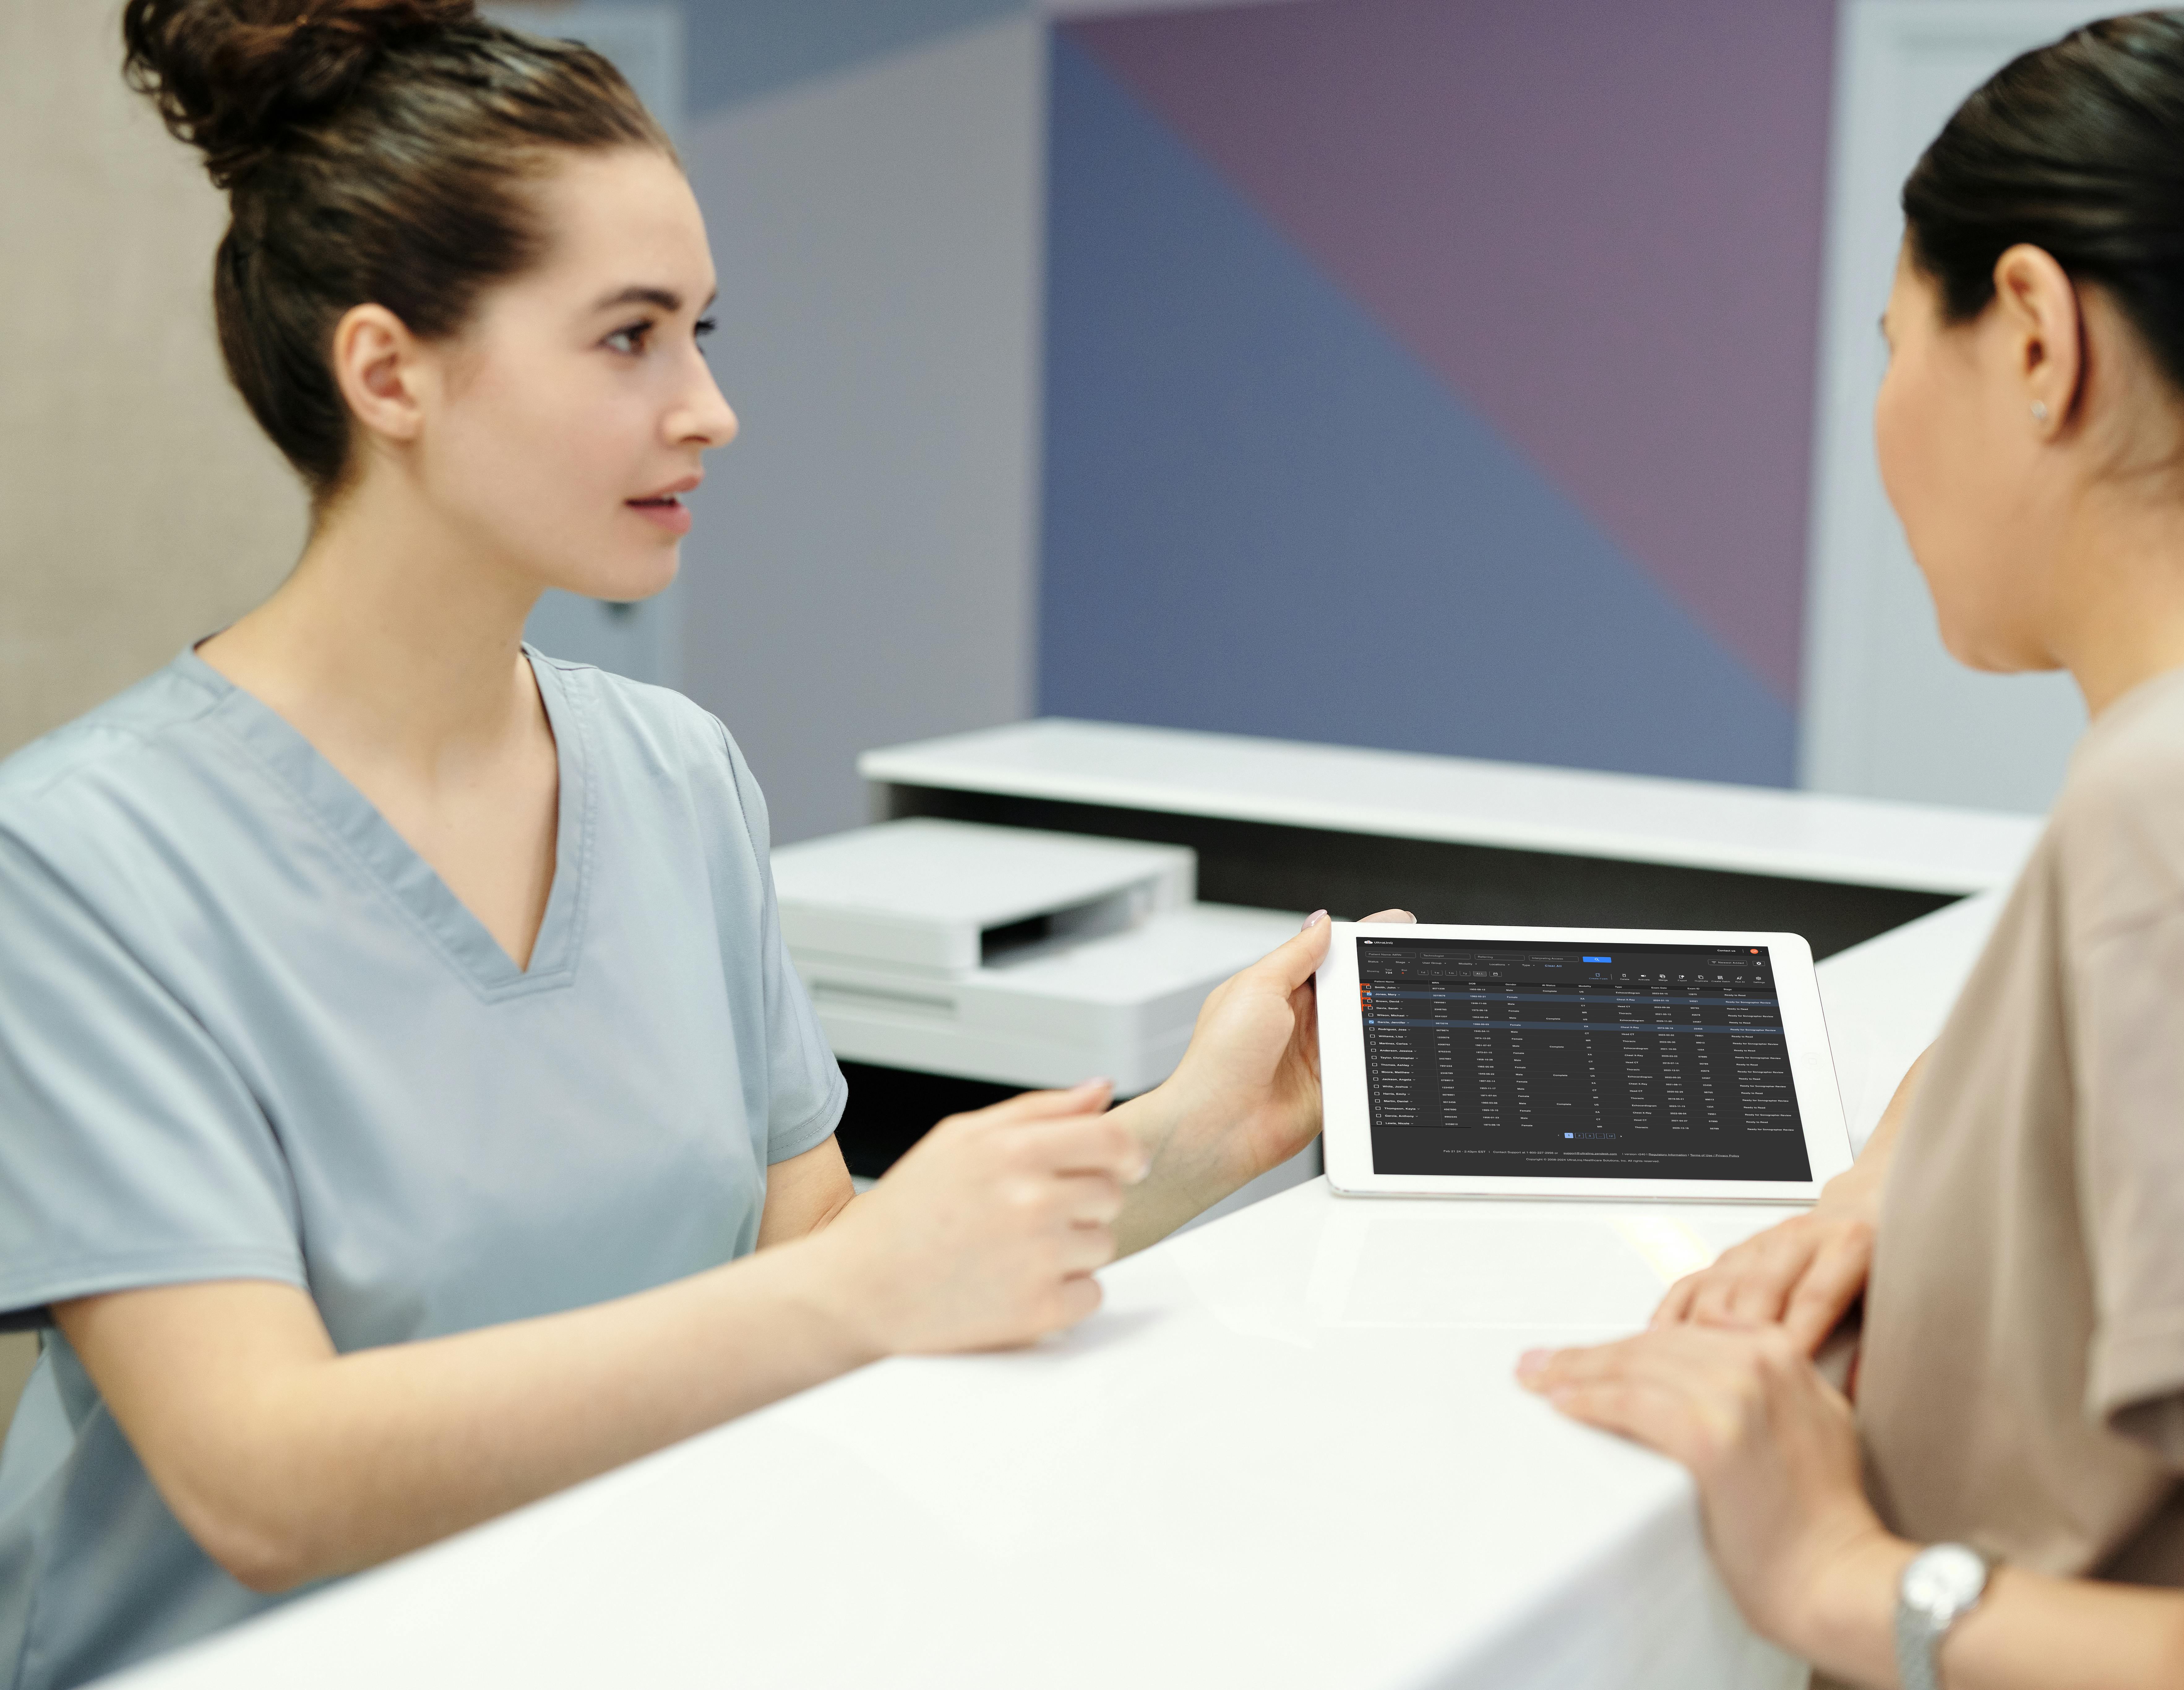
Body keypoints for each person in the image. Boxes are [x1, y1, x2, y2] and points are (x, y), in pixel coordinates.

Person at [0, 5, 1402, 1684]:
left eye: (703, 332)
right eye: (629, 339)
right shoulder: (85, 862)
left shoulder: (673, 778)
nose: (712, 409)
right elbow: (264, 1481)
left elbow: (808, 1258)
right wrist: (860, 1293)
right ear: (389, 373)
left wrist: (1202, 1131)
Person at [1519, 11, 2184, 1689]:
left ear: (2039, 337)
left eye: (1895, 345)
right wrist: (1880, 1192)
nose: (1886, 423)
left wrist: (1850, 1579)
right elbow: (2084, 1056)